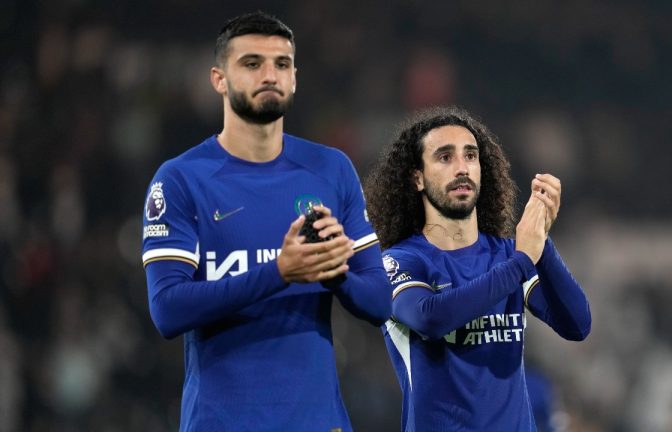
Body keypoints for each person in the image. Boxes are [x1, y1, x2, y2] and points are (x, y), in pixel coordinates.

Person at [140, 11, 391, 431]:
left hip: (318, 423)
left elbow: (381, 302)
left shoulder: (331, 169)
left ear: (294, 78)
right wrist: (280, 272)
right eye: (252, 63)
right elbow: (167, 310)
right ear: (219, 79)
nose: (270, 75)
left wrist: (335, 272)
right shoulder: (181, 179)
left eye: (282, 64)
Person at [364, 106, 592, 431]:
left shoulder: (506, 255)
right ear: (417, 178)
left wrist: (540, 241)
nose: (462, 168)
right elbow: (430, 318)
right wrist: (522, 259)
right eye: (445, 157)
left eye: (470, 156)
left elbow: (577, 324)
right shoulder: (401, 261)